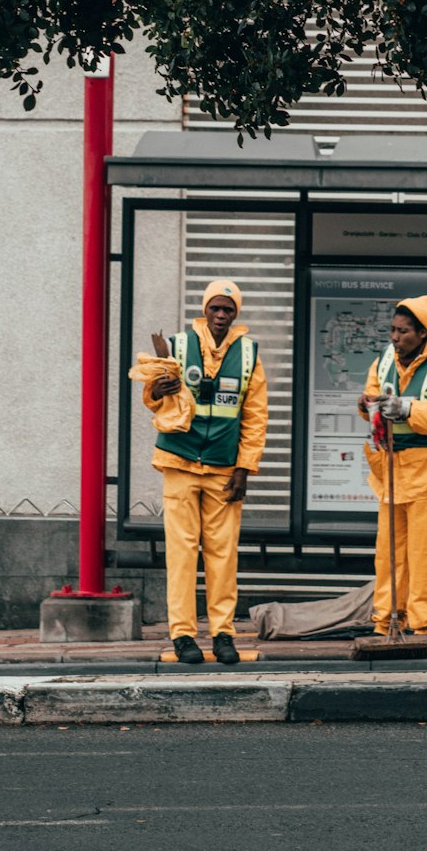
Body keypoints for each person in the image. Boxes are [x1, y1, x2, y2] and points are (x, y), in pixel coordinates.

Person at [141, 279, 268, 665]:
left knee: (222, 555)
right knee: (181, 555)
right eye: (215, 308)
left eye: (227, 310)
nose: (220, 315)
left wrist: (245, 468)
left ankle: (223, 633)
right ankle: (182, 635)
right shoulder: (179, 346)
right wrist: (158, 391)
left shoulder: (248, 355)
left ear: (236, 314)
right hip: (178, 462)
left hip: (224, 470)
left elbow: (255, 416)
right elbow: (150, 397)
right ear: (204, 309)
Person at [357, 295, 427, 649]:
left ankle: (426, 628)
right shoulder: (384, 361)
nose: (394, 336)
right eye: (392, 329)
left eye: (402, 331)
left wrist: (406, 408)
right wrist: (366, 406)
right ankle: (388, 621)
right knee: (389, 554)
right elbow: (373, 399)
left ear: (422, 333)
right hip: (394, 471)